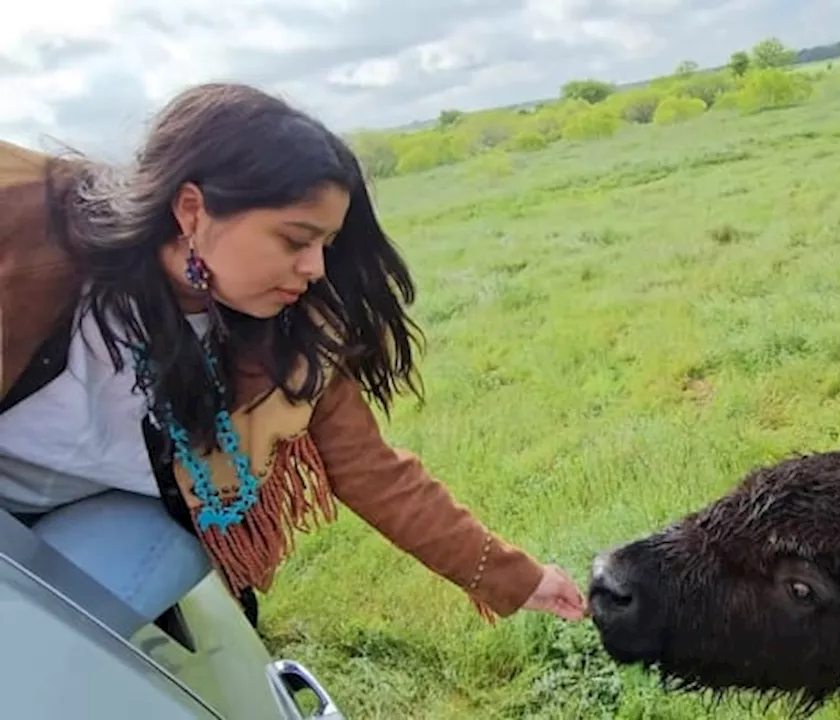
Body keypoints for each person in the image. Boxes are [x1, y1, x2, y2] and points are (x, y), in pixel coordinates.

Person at [0, 82, 587, 636]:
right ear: (191, 210)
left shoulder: (291, 340)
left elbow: (374, 473)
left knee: (40, 644)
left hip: (107, 520)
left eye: (325, 245)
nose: (316, 269)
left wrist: (518, 579)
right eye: (294, 240)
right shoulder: (34, 259)